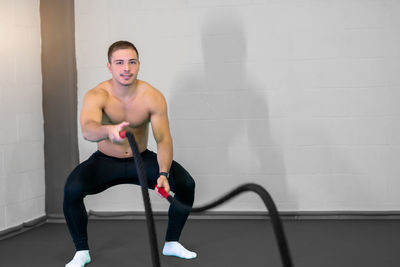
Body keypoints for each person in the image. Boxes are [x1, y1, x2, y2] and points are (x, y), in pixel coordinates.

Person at [64, 40, 196, 267]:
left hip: (141, 160)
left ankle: (172, 243)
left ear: (138, 64)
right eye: (120, 62)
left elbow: (163, 139)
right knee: (72, 189)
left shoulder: (152, 96)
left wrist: (163, 173)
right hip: (106, 161)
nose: (126, 68)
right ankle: (82, 251)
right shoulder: (97, 95)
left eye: (132, 62)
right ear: (109, 67)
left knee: (186, 183)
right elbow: (87, 130)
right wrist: (108, 130)